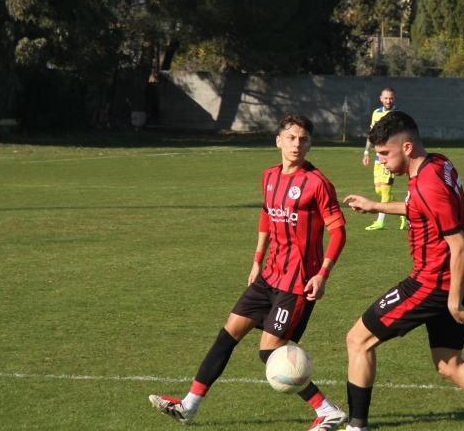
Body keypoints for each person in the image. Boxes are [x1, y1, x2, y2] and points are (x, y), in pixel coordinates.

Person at [149, 114, 349, 431]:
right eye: (292, 137)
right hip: (269, 275)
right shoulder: (269, 176)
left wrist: (323, 274)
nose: (298, 143)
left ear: (310, 144)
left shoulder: (317, 184)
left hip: (297, 284)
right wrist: (257, 259)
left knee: (269, 351)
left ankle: (327, 410)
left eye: (304, 139)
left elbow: (338, 231)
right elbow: (268, 216)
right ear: (278, 140)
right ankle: (189, 406)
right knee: (227, 335)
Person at [343, 111, 464, 431]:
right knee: (449, 363)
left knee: (357, 340)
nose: (381, 162)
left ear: (406, 148)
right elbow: (420, 206)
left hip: (434, 282)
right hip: (463, 276)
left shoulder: (427, 186)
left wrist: (453, 303)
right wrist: (377, 206)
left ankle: (356, 427)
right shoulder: (439, 163)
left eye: (384, 154)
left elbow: (459, 246)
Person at [362, 87, 406, 231]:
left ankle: (381, 222)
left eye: (391, 98)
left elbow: (403, 136)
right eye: (386, 98)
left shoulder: (398, 115)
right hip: (377, 156)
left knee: (386, 190)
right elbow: (371, 134)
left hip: (391, 157)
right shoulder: (376, 113)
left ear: (395, 98)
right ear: (381, 98)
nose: (388, 101)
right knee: (379, 190)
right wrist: (366, 152)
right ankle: (404, 212)